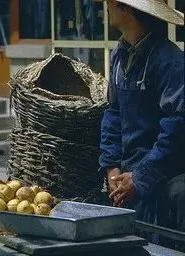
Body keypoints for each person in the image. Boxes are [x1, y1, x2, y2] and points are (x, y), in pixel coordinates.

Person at [97, 0, 184, 250]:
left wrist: (140, 177)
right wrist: (111, 167)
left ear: (130, 11)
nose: (107, 7)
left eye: (113, 3)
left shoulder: (170, 62)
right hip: (126, 178)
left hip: (162, 179)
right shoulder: (119, 55)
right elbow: (113, 114)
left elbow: (176, 130)